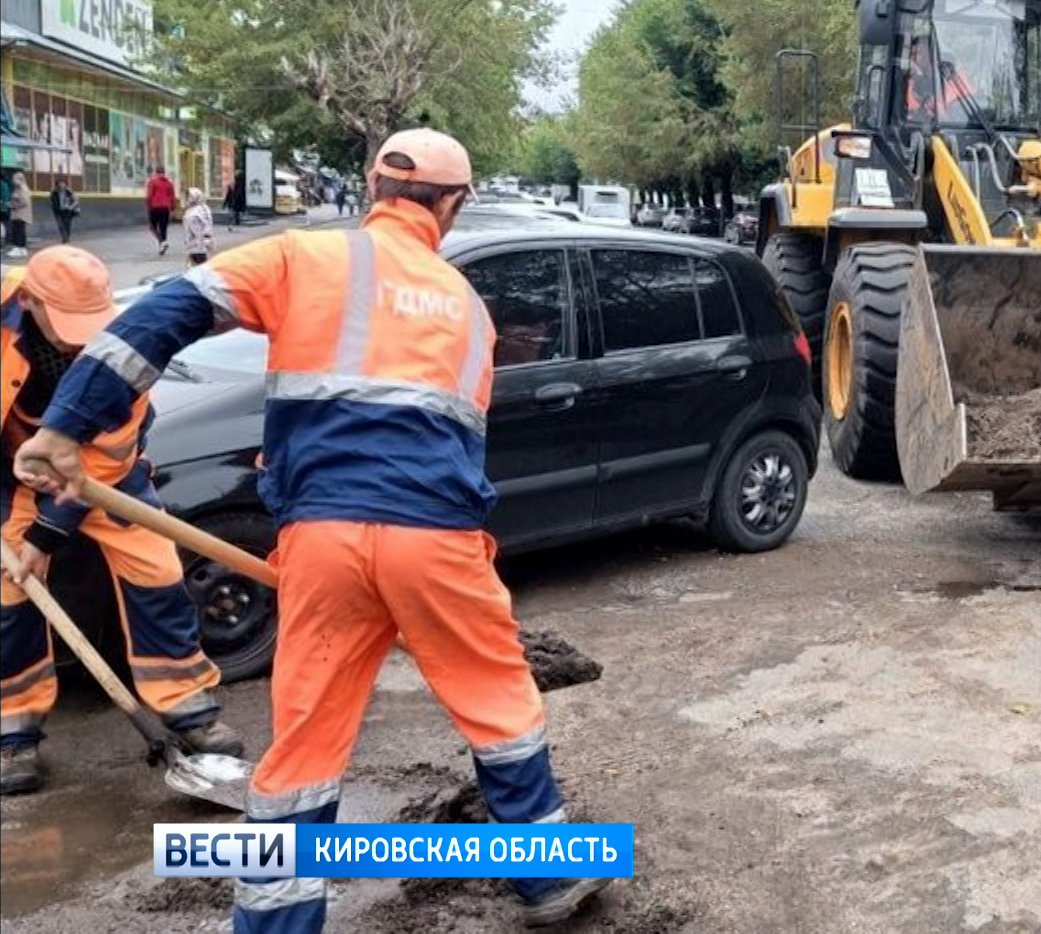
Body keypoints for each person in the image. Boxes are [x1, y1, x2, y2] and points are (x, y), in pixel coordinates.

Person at [13, 128, 607, 932]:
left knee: (306, 740)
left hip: (323, 538)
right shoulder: (470, 310)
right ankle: (547, 879)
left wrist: (65, 426)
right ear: (454, 205)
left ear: (372, 185)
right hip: (438, 541)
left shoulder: (299, 256)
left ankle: (274, 918)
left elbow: (162, 315)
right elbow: (456, 446)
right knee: (500, 704)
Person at [1, 246, 242, 796]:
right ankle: (13, 733)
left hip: (103, 475)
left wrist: (46, 535)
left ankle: (189, 710)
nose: (77, 339)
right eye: (65, 324)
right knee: (10, 597)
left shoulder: (124, 355)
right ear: (31, 301)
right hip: (13, 478)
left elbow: (103, 460)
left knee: (157, 575)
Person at [144, 166, 176, 256]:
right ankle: (163, 243)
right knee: (163, 227)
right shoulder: (169, 184)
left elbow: (149, 195)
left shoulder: (152, 182)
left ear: (156, 173)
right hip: (166, 208)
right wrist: (172, 207)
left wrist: (148, 206)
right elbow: (172, 196)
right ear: (164, 173)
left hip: (155, 207)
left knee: (152, 226)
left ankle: (162, 242)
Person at [182, 187, 215, 266]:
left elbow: (196, 230)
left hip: (197, 244)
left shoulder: (193, 213)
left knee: (196, 267)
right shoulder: (205, 208)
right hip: (206, 241)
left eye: (188, 197)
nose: (186, 199)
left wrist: (195, 244)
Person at [5, 170, 32, 258]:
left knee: (18, 232)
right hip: (19, 214)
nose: (13, 181)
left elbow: (24, 202)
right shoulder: (21, 188)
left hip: (19, 214)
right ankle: (21, 249)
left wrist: (12, 205)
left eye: (14, 179)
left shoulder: (22, 189)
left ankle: (18, 248)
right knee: (20, 232)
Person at [49, 179, 79, 245]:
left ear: (65, 184)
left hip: (67, 211)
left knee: (67, 225)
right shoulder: (54, 192)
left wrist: (70, 207)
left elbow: (76, 200)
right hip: (58, 211)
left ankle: (66, 238)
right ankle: (64, 237)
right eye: (60, 184)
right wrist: (54, 207)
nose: (61, 185)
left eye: (63, 184)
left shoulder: (69, 191)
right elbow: (51, 201)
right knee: (60, 225)